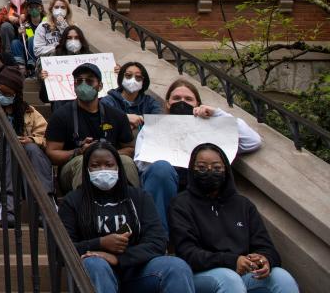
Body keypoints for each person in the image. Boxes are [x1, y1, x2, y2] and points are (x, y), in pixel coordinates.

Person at [58, 141, 195, 293]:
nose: (103, 170)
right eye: (95, 166)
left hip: (137, 271)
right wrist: (101, 243)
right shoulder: (73, 201)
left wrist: (119, 259)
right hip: (96, 272)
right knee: (95, 264)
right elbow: (62, 249)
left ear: (118, 167)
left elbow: (157, 242)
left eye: (109, 165)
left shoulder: (139, 197)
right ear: (86, 169)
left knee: (176, 267)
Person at [135, 78, 263, 231]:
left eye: (188, 99)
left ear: (197, 104)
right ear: (168, 103)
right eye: (176, 98)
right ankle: (159, 236)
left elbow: (252, 142)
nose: (182, 102)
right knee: (161, 170)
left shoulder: (210, 127)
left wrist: (217, 114)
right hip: (166, 184)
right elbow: (140, 163)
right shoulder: (154, 127)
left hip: (201, 185)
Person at [170, 143, 297, 293]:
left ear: (226, 170)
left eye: (217, 168)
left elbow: (266, 247)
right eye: (202, 167)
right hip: (202, 273)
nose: (210, 172)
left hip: (242, 271)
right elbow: (187, 253)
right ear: (192, 169)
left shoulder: (243, 205)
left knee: (281, 277)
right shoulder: (181, 204)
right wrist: (231, 261)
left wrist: (264, 260)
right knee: (229, 278)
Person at [44, 62, 138, 194]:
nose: (83, 85)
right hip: (74, 167)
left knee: (127, 162)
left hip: (111, 165)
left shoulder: (117, 115)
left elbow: (130, 149)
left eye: (89, 81)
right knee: (83, 161)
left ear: (100, 86)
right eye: (79, 81)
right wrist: (79, 152)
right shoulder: (61, 116)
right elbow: (52, 153)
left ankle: (132, 204)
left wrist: (106, 154)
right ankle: (84, 210)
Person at [0, 67, 53, 227]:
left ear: (16, 95)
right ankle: (7, 207)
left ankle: (44, 208)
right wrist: (2, 140)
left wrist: (30, 139)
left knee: (31, 148)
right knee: (10, 145)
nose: (2, 96)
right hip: (0, 160)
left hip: (28, 160)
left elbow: (46, 138)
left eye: (8, 94)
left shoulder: (30, 112)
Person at [38, 24, 92, 105]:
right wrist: (45, 81)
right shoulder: (54, 57)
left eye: (76, 38)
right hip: (63, 103)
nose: (73, 41)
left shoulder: (91, 57)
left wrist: (115, 71)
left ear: (81, 40)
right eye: (69, 38)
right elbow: (44, 98)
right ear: (64, 40)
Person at [101, 61, 163, 131]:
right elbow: (103, 126)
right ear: (121, 78)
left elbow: (159, 119)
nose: (133, 80)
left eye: (138, 77)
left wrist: (140, 119)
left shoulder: (149, 102)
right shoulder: (108, 102)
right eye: (128, 75)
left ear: (143, 82)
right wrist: (124, 118)